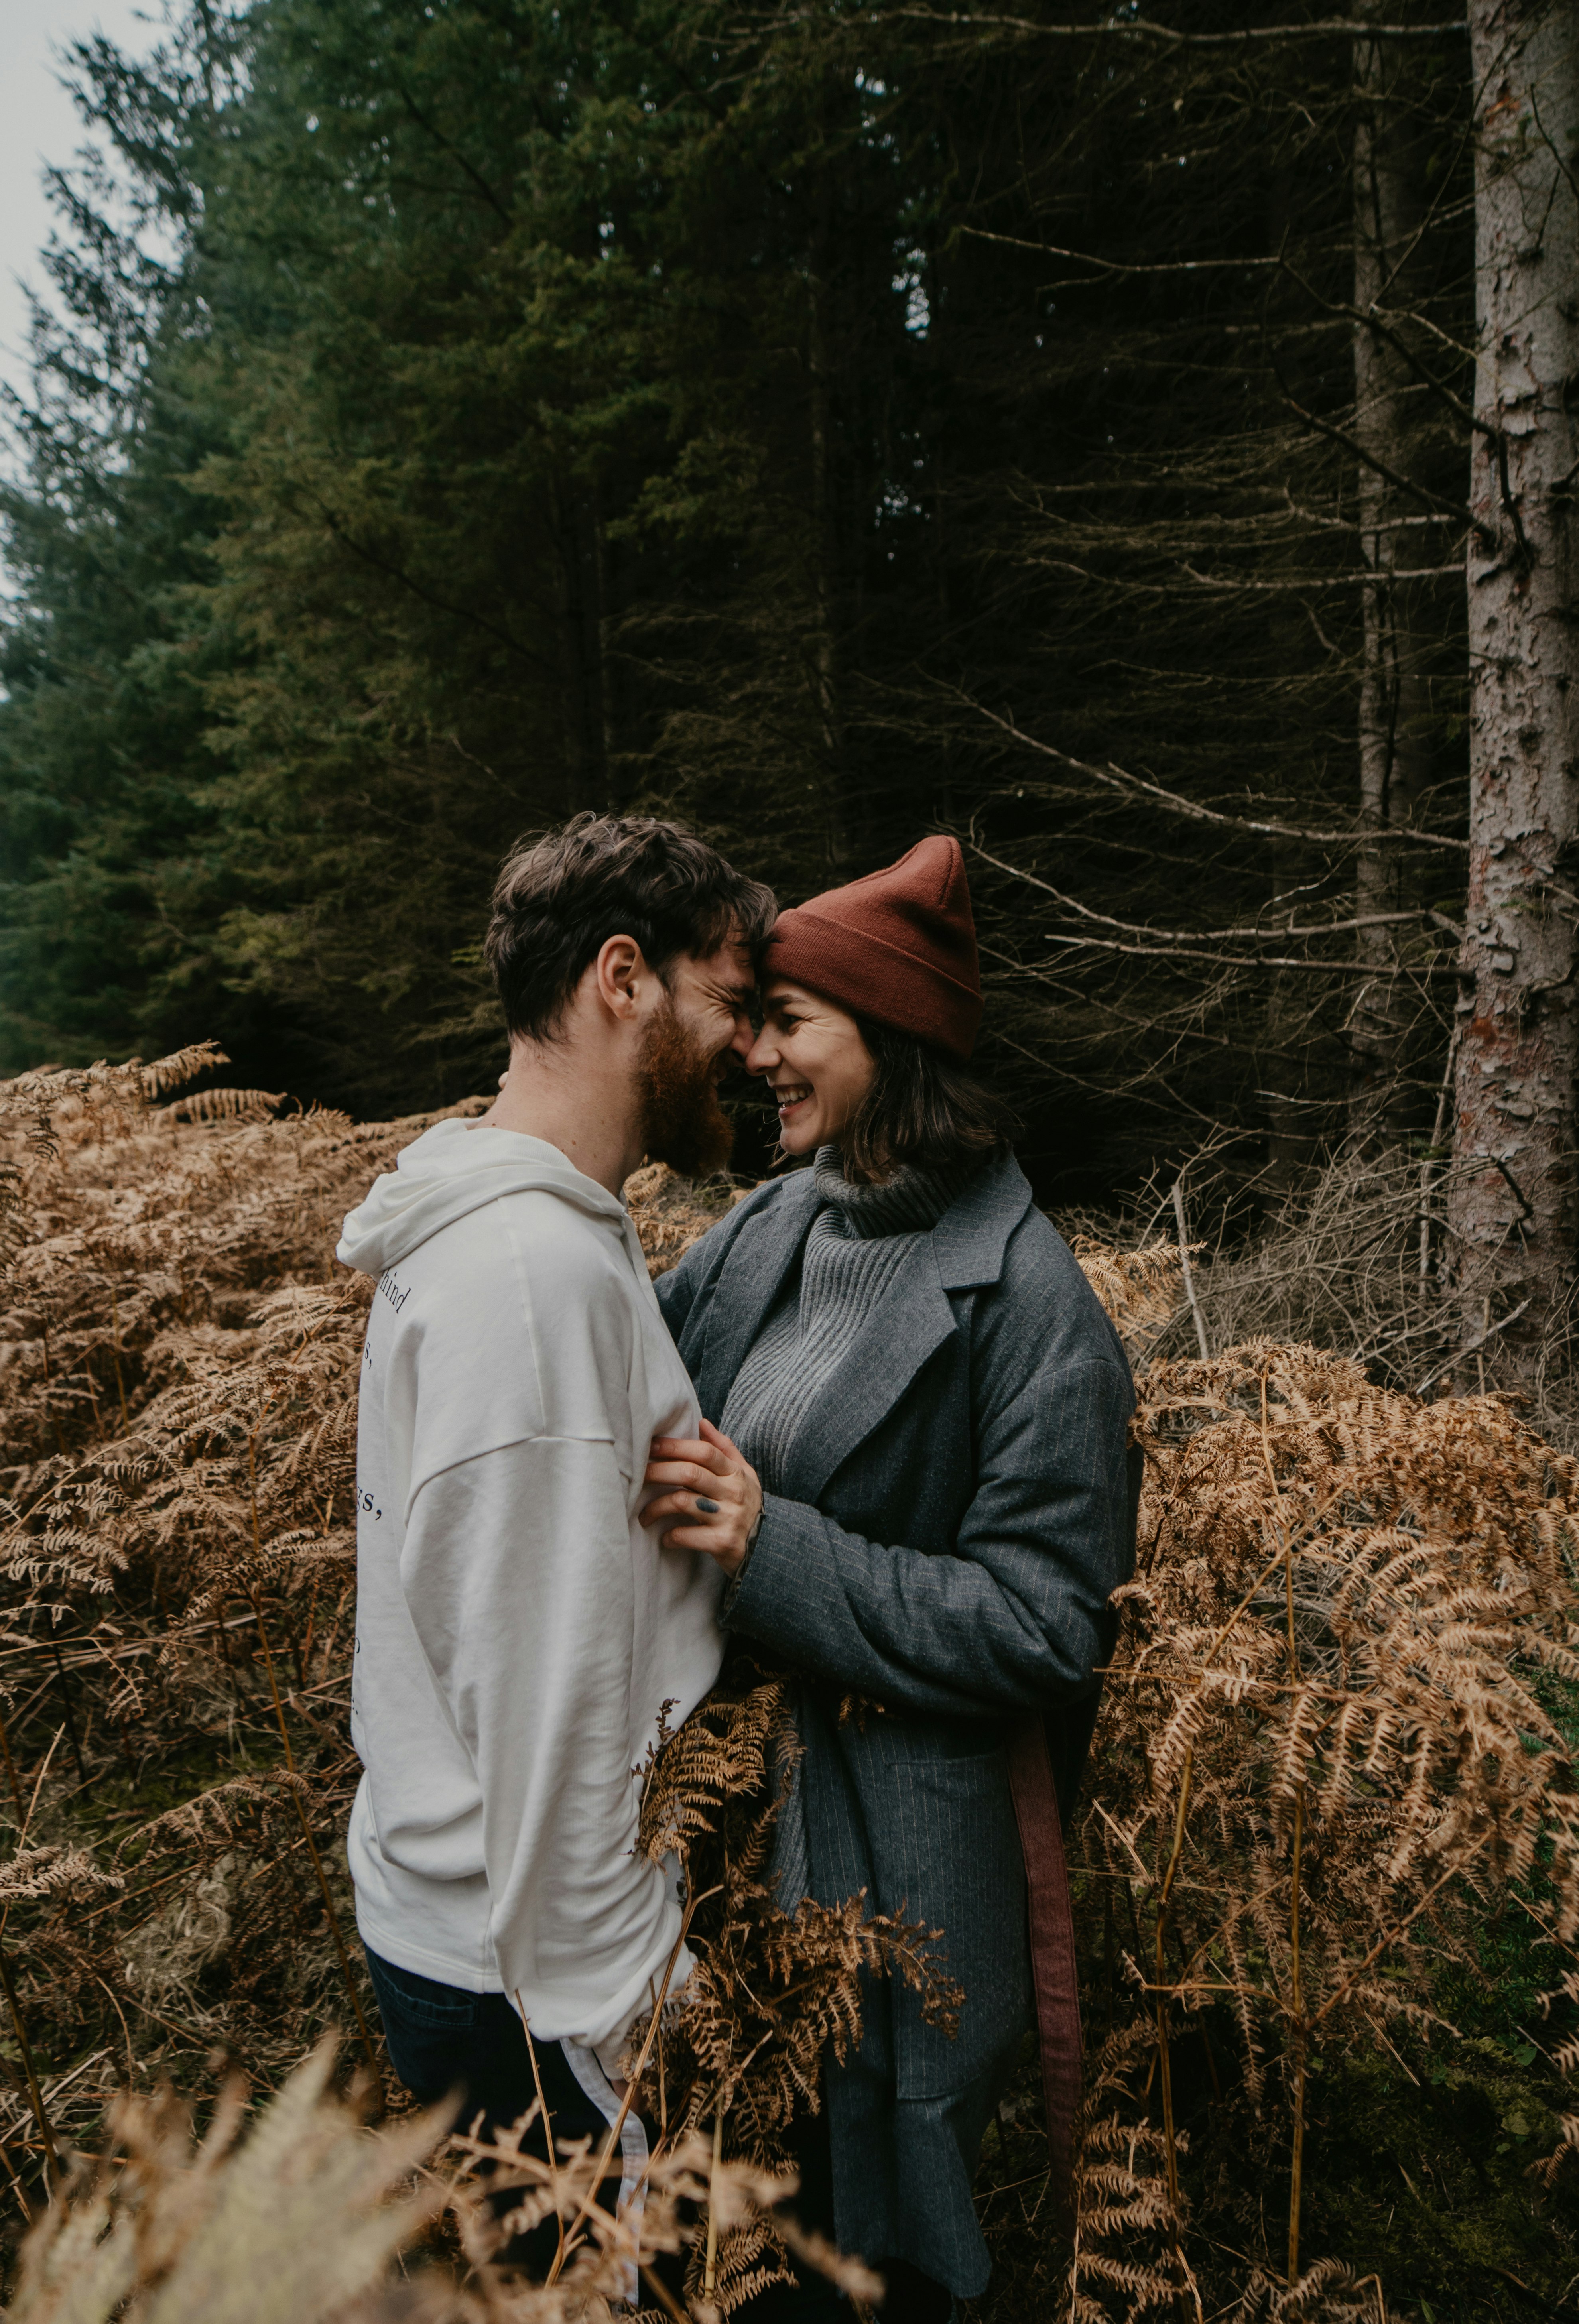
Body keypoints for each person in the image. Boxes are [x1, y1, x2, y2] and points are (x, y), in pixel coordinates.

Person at [643, 836, 1138, 2320]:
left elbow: (1051, 1627)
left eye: (793, 1022)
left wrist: (770, 1545)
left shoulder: (1036, 1304)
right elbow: (626, 1359)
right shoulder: (779, 1218)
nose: (754, 1052)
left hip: (906, 1879)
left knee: (877, 2260)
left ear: (898, 1040)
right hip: (718, 1824)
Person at [335, 813, 775, 2268]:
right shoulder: (526, 1282)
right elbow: (542, 1698)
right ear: (624, 978)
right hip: (537, 1982)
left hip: (479, 1935)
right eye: (730, 1000)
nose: (753, 1046)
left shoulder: (528, 1228)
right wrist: (645, 2012)